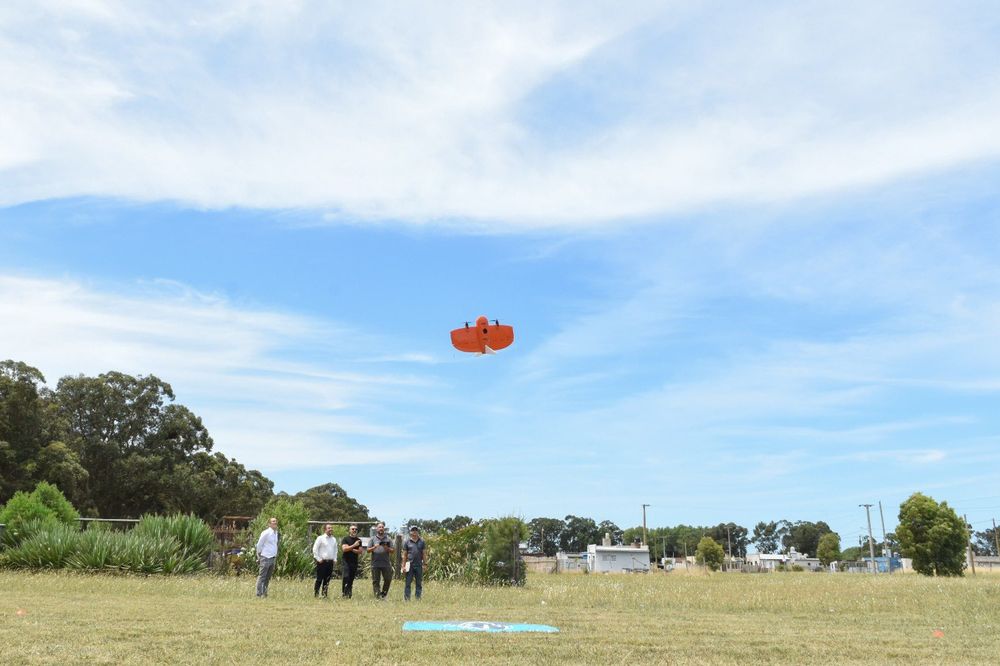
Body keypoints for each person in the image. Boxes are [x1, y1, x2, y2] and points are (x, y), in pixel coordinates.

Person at [367, 522, 394, 599]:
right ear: (376, 529)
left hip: (386, 564)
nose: (381, 528)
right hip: (375, 563)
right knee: (376, 581)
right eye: (379, 527)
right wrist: (374, 547)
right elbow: (368, 550)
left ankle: (383, 594)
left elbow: (392, 551)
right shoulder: (372, 539)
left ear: (384, 529)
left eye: (382, 527)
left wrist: (387, 548)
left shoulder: (388, 539)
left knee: (388, 579)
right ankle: (377, 597)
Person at [312, 523, 338, 598]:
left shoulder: (334, 539)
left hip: (330, 562)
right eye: (329, 528)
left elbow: (335, 550)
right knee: (319, 579)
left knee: (327, 580)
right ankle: (316, 594)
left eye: (331, 528)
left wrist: (335, 559)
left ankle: (324, 595)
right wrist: (318, 559)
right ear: (325, 529)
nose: (331, 529)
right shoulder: (320, 538)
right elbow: (315, 549)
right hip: (322, 562)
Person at [401, 526, 428, 601]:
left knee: (419, 583)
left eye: (416, 530)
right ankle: (407, 599)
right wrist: (403, 566)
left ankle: (418, 599)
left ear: (418, 532)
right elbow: (404, 555)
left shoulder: (422, 541)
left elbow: (424, 554)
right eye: (413, 530)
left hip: (419, 565)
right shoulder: (407, 542)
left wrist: (425, 564)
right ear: (410, 532)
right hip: (409, 565)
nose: (414, 531)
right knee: (408, 583)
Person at [255, 517, 279, 598]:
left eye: (275, 521)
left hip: (272, 558)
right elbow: (259, 545)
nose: (275, 522)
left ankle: (264, 593)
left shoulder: (276, 533)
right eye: (273, 521)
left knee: (268, 577)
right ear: (269, 524)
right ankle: (259, 594)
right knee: (262, 576)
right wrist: (259, 556)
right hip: (265, 557)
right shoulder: (266, 533)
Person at [340, 524, 363, 598]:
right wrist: (354, 545)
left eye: (356, 529)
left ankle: (349, 594)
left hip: (354, 562)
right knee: (346, 576)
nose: (354, 530)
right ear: (349, 530)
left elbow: (360, 551)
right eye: (352, 529)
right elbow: (344, 549)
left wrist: (350, 548)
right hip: (346, 561)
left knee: (351, 578)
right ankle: (344, 594)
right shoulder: (345, 539)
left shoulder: (359, 540)